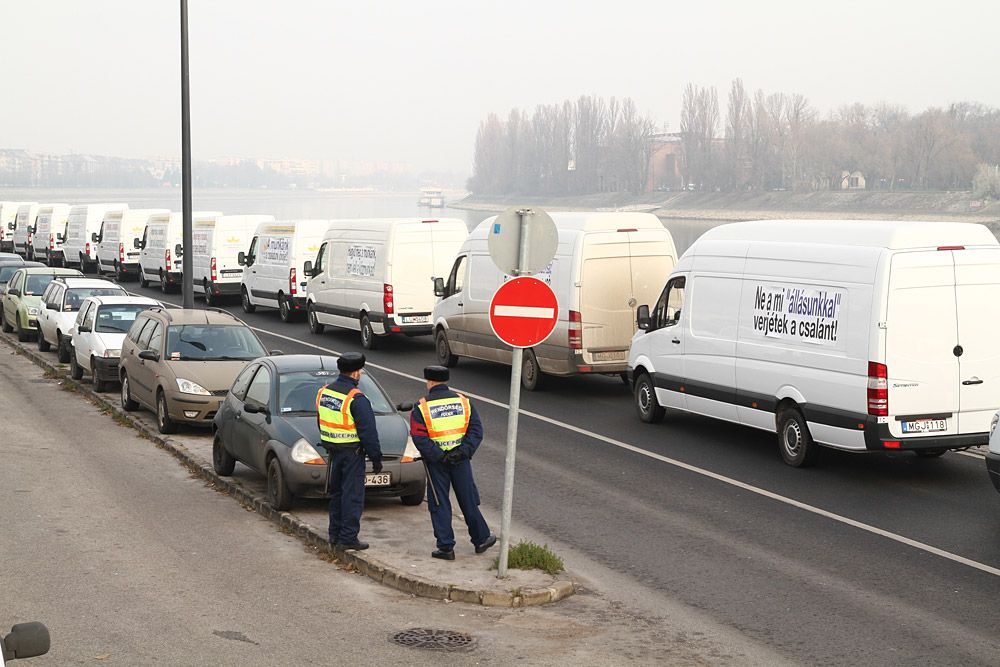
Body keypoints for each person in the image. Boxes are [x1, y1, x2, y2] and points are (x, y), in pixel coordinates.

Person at [410, 366, 496, 560]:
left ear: (429, 382)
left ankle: (446, 547)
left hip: (436, 463)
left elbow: (419, 437)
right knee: (468, 499)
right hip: (461, 460)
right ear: (446, 381)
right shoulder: (463, 402)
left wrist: (440, 456)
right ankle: (481, 538)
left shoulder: (422, 406)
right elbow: (476, 431)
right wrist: (461, 452)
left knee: (440, 502)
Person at [316, 352, 382, 551]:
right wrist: (376, 458)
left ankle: (334, 535)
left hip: (333, 452)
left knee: (336, 494)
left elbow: (321, 421)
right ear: (355, 373)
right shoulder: (357, 398)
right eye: (360, 371)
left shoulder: (324, 392)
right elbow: (368, 432)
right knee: (352, 496)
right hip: (352, 454)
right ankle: (348, 538)